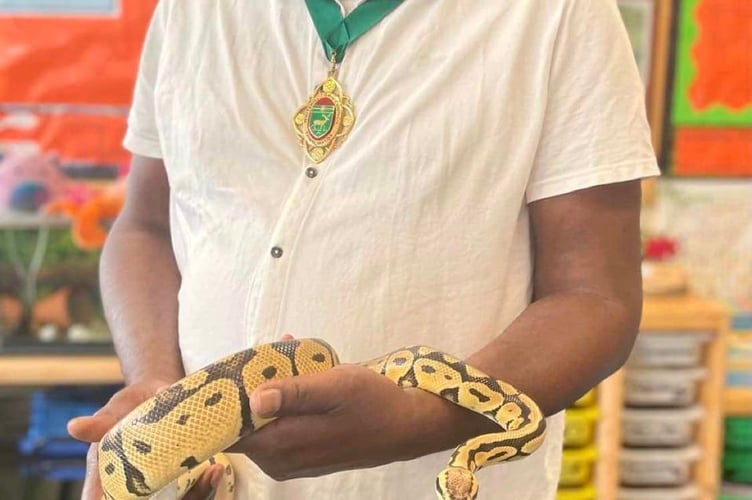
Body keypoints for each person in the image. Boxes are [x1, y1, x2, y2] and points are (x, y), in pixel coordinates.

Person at [67, 0, 660, 499]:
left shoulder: (557, 13)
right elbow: (145, 226)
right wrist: (153, 389)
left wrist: (423, 420)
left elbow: (594, 297)